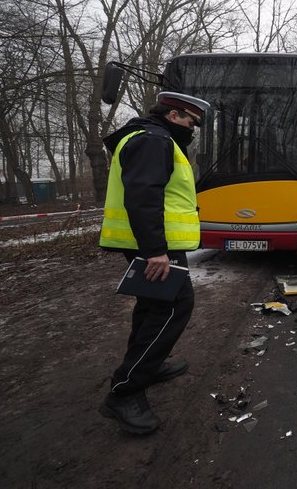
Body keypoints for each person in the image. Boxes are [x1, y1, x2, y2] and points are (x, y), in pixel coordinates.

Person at [98, 90, 210, 435]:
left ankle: (149, 364)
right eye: (191, 121)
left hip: (148, 241)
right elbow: (143, 195)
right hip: (153, 244)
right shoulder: (153, 140)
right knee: (175, 306)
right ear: (174, 115)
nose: (192, 129)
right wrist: (155, 251)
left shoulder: (148, 136)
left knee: (152, 305)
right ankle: (126, 389)